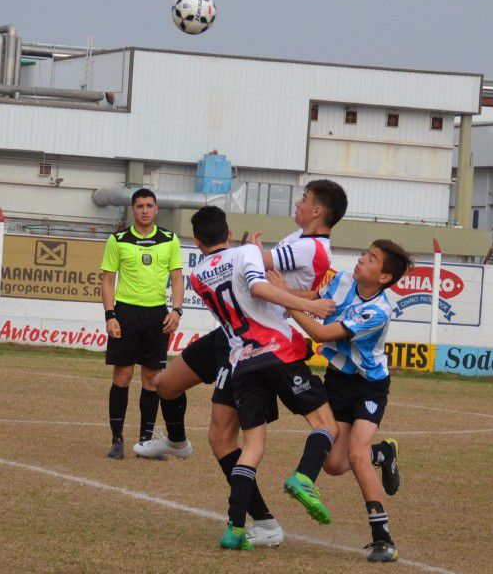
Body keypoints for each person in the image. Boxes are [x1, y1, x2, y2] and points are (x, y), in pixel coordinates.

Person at [145, 180, 347, 547]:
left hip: (256, 340)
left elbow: (261, 276)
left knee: (224, 436)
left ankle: (257, 522)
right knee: (165, 385)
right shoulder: (290, 241)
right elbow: (263, 275)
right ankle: (176, 441)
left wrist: (253, 254)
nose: (298, 202)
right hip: (242, 337)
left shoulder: (308, 248)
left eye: (304, 199)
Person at [275, 239, 412, 563]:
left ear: (383, 278)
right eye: (365, 253)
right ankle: (386, 452)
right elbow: (317, 299)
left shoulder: (378, 311)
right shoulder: (345, 279)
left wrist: (284, 300)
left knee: (357, 455)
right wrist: (282, 292)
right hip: (337, 381)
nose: (362, 259)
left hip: (369, 386)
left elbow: (322, 334)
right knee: (334, 465)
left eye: (372, 259)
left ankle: (383, 540)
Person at [100, 188, 186, 460]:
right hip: (125, 314)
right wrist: (110, 314)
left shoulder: (170, 240)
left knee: (152, 380)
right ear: (132, 210)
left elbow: (178, 277)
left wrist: (177, 310)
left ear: (157, 209)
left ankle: (145, 442)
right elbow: (108, 279)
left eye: (149, 205)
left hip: (156, 316)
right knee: (122, 376)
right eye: (139, 206)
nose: (145, 210)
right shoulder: (118, 239)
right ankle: (117, 440)